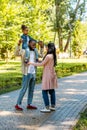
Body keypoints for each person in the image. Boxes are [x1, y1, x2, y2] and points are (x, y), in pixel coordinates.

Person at [27, 43, 58, 113]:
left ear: (49, 48)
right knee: (52, 91)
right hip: (52, 74)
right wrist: (40, 61)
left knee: (44, 91)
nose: (46, 48)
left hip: (48, 75)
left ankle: (47, 107)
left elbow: (41, 64)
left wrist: (31, 63)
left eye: (46, 47)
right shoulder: (53, 55)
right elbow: (45, 62)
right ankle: (52, 106)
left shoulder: (48, 56)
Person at [15, 40, 38, 111]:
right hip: (26, 73)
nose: (34, 46)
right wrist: (18, 44)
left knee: (31, 90)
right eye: (32, 44)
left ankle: (29, 104)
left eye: (35, 45)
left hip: (33, 72)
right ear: (29, 44)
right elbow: (16, 53)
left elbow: (42, 55)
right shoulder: (24, 51)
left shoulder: (35, 51)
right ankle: (17, 104)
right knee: (24, 89)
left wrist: (42, 47)